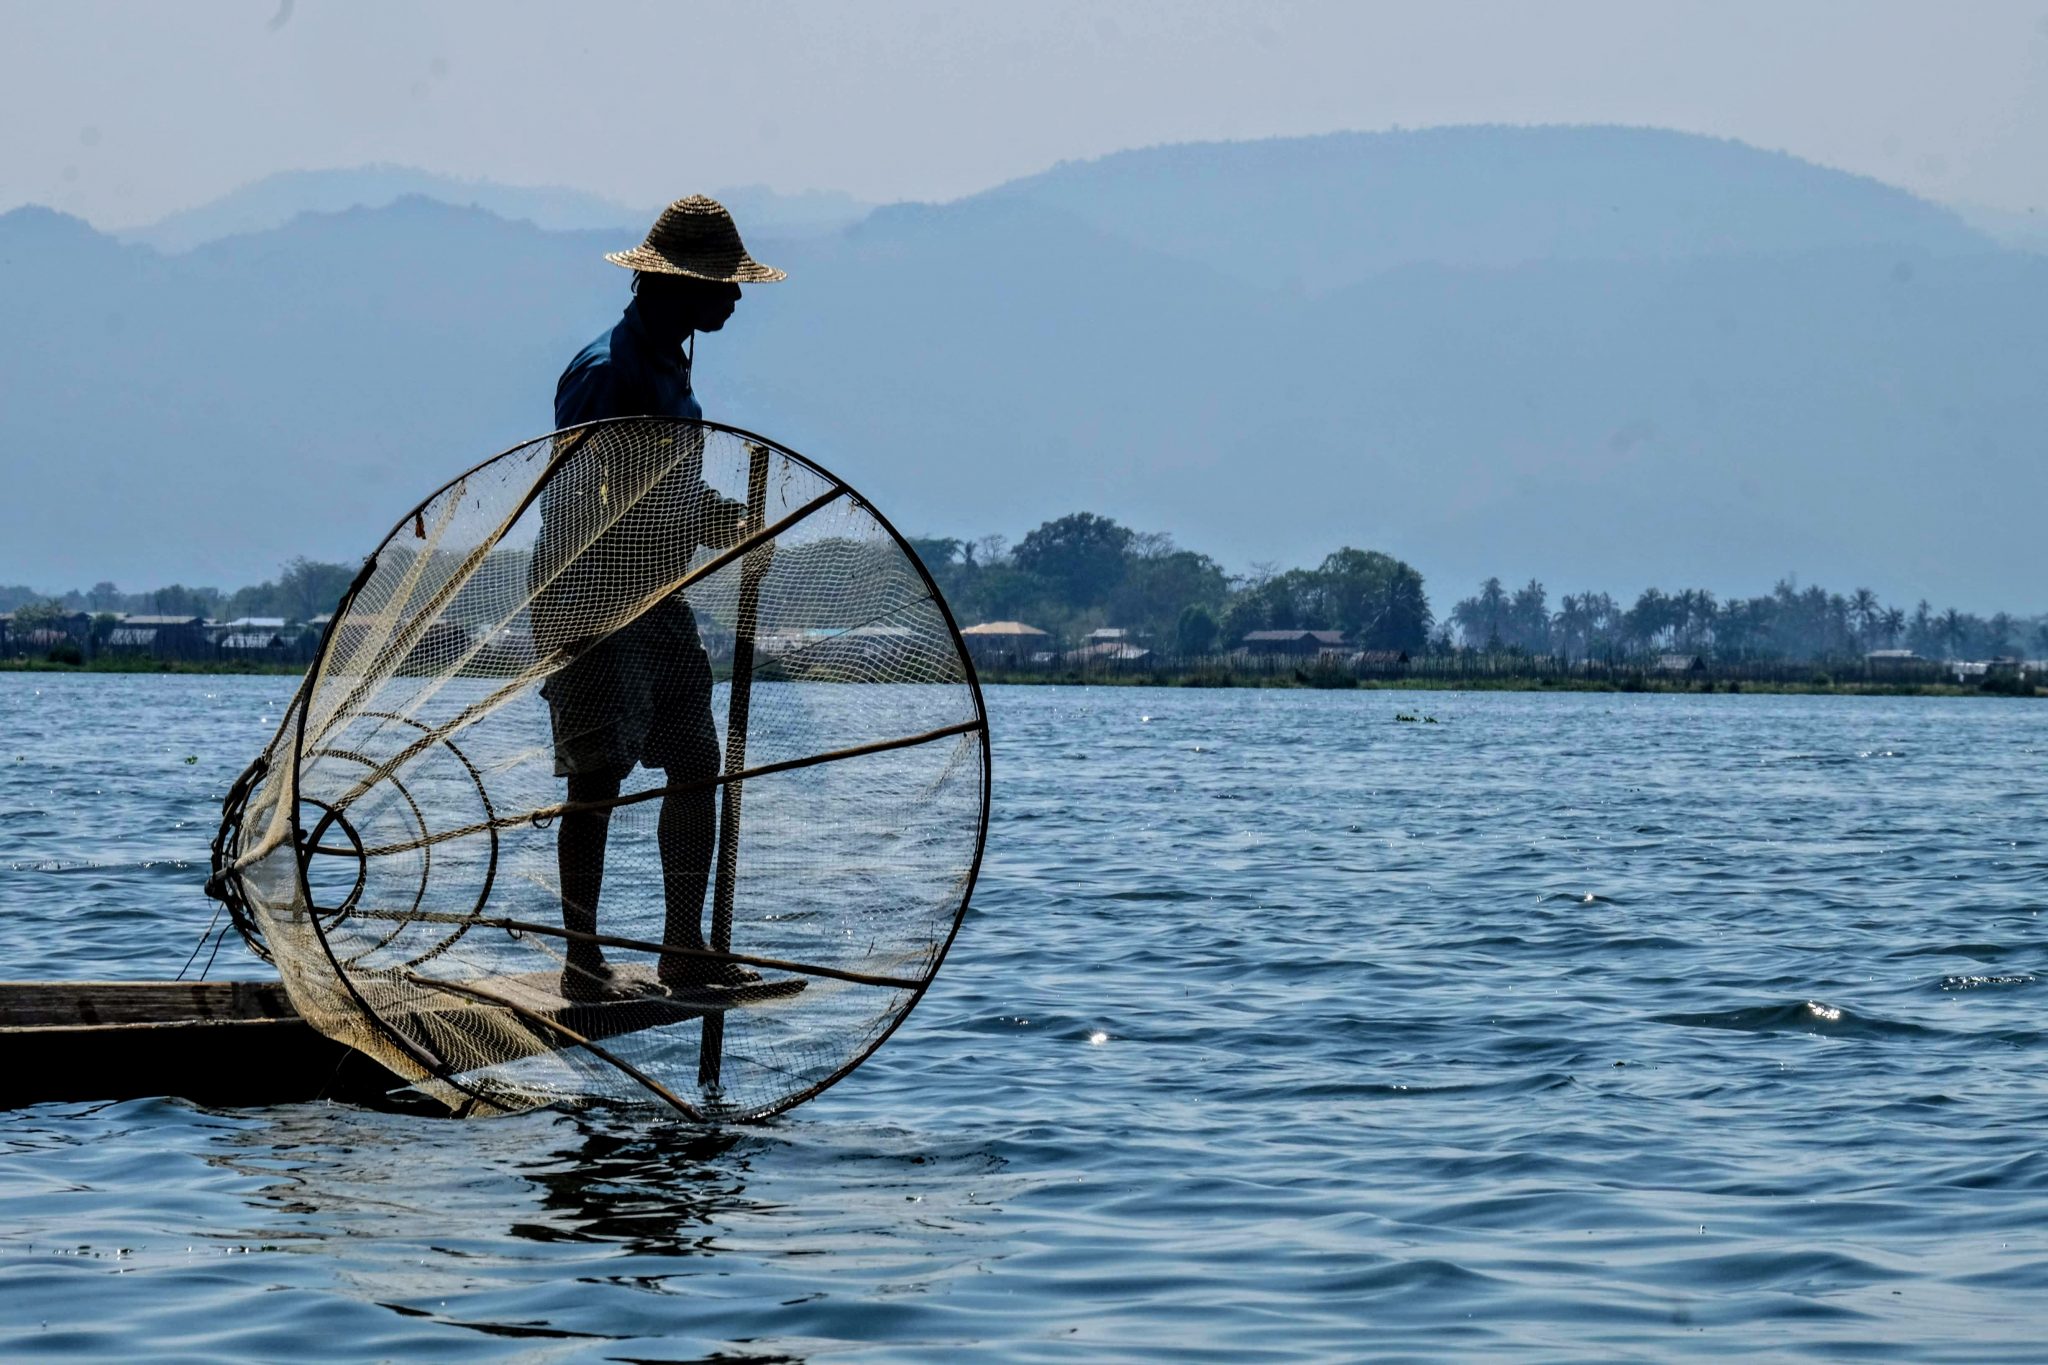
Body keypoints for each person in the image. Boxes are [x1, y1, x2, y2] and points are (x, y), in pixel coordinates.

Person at [536, 195, 786, 1001]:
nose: (735, 298)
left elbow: (664, 494)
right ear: (675, 285)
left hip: (657, 597)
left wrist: (724, 523)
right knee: (598, 777)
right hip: (588, 600)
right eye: (721, 283)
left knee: (696, 761)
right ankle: (583, 959)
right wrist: (682, 522)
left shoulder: (674, 366)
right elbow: (575, 497)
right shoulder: (607, 371)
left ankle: (683, 947)